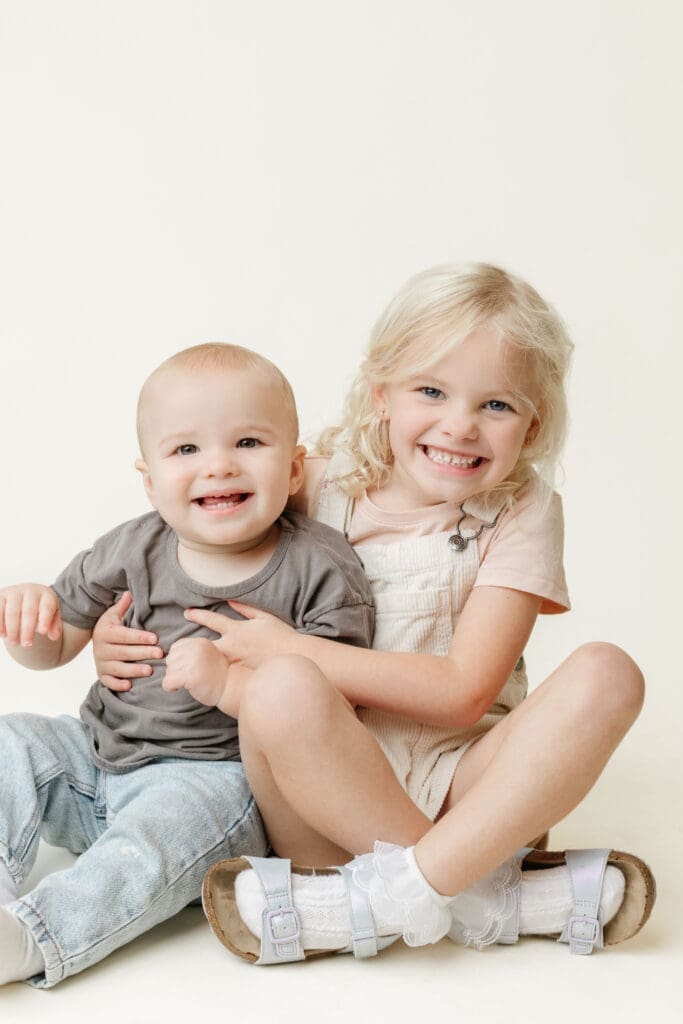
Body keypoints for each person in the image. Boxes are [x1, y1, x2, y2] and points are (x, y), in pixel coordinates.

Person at [93, 265, 655, 965]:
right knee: (278, 688)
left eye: (497, 406)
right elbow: (194, 539)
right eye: (430, 391)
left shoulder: (521, 509)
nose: (459, 425)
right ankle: (478, 895)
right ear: (379, 392)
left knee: (608, 672)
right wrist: (111, 633)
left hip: (472, 796)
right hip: (324, 794)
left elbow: (462, 693)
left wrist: (299, 648)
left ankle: (395, 895)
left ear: (532, 423)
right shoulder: (319, 481)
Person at [0, 343, 374, 987]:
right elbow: (56, 644)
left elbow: (337, 709)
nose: (218, 466)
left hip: (212, 779)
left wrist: (232, 687)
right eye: (186, 450)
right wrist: (28, 622)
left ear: (293, 469)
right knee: (12, 742)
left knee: (160, 839)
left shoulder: (319, 566)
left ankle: (34, 936)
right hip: (92, 759)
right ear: (150, 480)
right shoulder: (132, 544)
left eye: (250, 442)